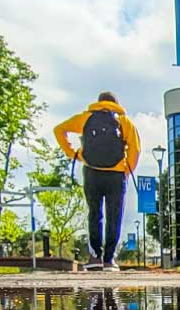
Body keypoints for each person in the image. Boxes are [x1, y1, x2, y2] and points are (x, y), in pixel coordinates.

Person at [54, 91, 141, 271]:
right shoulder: (124, 122)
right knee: (114, 216)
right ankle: (109, 260)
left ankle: (95, 257)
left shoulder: (85, 118)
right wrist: (127, 169)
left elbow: (59, 129)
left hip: (92, 172)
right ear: (116, 103)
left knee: (94, 213)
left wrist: (73, 153)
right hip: (116, 175)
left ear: (98, 102)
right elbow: (135, 148)